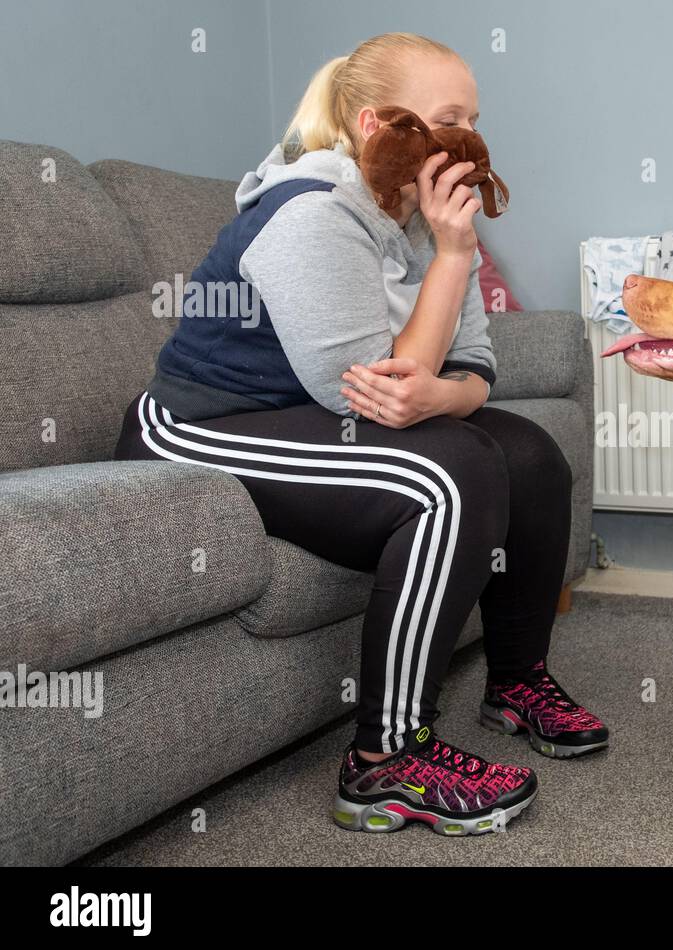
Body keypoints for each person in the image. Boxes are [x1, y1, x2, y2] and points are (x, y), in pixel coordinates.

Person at [112, 32, 607, 837]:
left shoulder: (422, 213)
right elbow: (377, 391)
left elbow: (476, 366)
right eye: (449, 119)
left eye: (474, 119)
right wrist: (452, 260)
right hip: (202, 427)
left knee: (531, 457)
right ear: (380, 125)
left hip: (322, 406)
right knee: (457, 474)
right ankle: (385, 762)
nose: (468, 142)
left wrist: (441, 385)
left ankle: (517, 684)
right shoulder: (309, 213)